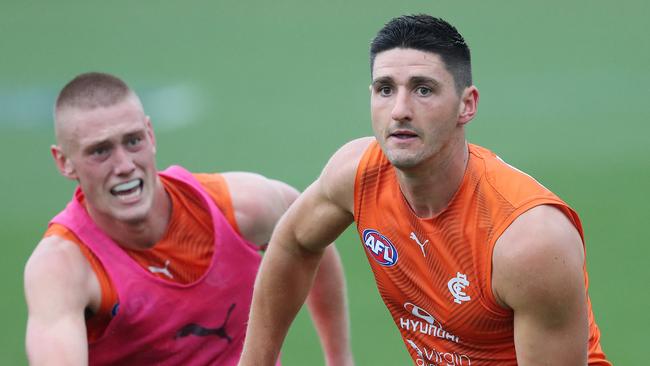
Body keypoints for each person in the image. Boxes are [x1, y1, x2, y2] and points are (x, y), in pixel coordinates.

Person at [238, 14, 611, 366]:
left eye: (423, 89)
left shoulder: (529, 241)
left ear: (467, 105)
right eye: (385, 90)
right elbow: (294, 243)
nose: (400, 109)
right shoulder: (356, 173)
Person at [23, 72, 354, 366]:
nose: (124, 164)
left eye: (133, 141)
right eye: (100, 151)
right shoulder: (61, 269)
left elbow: (311, 239)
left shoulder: (242, 208)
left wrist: (339, 359)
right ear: (64, 162)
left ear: (151, 136)